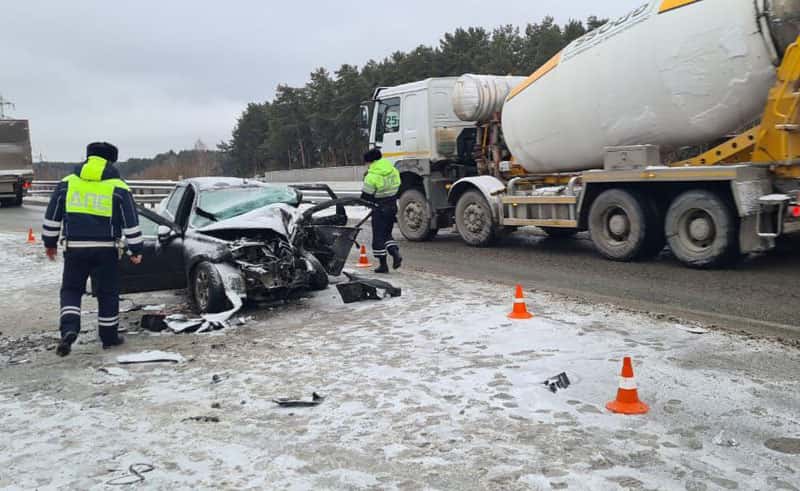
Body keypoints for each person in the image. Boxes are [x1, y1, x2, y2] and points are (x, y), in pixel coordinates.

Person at [42, 142, 144, 356]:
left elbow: (52, 217)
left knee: (71, 290)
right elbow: (130, 222)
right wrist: (136, 249)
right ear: (111, 161)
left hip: (75, 248)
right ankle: (109, 337)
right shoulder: (118, 187)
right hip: (107, 249)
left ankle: (69, 329)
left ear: (88, 158)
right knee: (108, 292)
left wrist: (49, 243)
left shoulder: (67, 183)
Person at [360, 148, 402, 273]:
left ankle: (383, 265)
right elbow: (399, 185)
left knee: (378, 237)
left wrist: (369, 201)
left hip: (379, 208)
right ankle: (395, 253)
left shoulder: (372, 175)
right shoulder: (393, 170)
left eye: (366, 163)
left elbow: (366, 196)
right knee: (386, 233)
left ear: (370, 161)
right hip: (392, 206)